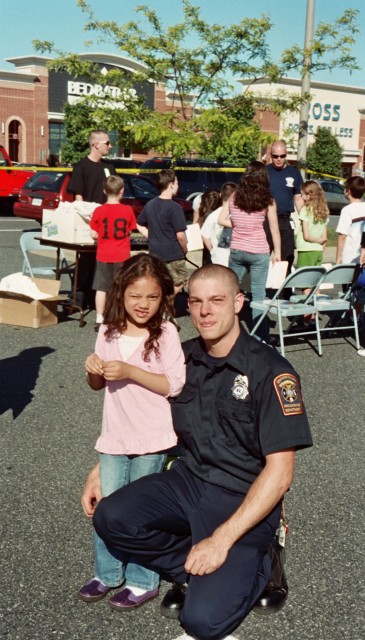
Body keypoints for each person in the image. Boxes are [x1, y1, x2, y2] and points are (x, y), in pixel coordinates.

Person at [82, 264, 313, 640]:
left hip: (241, 500)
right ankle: (195, 566)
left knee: (201, 622)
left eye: (217, 300)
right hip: (188, 483)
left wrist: (221, 540)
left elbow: (280, 472)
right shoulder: (181, 358)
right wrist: (99, 467)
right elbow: (142, 418)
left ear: (238, 302)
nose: (205, 311)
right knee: (111, 516)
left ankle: (263, 562)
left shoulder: (270, 371)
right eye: (197, 302)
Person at [79, 253, 186, 611]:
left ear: (163, 297)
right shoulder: (108, 332)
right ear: (121, 293)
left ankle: (143, 579)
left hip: (153, 437)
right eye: (136, 295)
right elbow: (97, 385)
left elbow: (174, 385)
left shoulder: (167, 333)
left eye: (152, 297)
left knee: (142, 512)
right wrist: (93, 369)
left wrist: (129, 370)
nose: (143, 304)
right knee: (107, 507)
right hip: (114, 435)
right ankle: (107, 573)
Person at [218, 161, 281, 341]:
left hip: (237, 249)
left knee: (232, 292)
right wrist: (277, 252)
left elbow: (222, 219)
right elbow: (274, 228)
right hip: (259, 251)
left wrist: (238, 225)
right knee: (258, 295)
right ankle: (260, 336)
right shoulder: (267, 200)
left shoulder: (234, 197)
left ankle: (227, 330)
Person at [67, 130, 117, 310]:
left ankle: (102, 299)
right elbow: (78, 197)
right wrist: (85, 224)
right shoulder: (81, 166)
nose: (110, 146)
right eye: (107, 143)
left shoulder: (109, 167)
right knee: (87, 261)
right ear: (96, 144)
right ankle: (80, 298)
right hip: (88, 222)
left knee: (105, 263)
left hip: (107, 223)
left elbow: (115, 194)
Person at [90, 175, 137, 332]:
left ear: (104, 191)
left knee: (102, 288)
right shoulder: (127, 210)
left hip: (103, 254)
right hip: (122, 255)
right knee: (122, 288)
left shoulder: (99, 210)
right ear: (122, 191)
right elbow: (130, 229)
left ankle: (99, 318)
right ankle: (120, 315)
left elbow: (93, 234)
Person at [137, 169, 188, 296]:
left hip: (155, 252)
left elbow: (139, 224)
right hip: (173, 253)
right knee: (179, 281)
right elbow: (180, 235)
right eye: (176, 183)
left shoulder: (150, 204)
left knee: (160, 281)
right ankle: (166, 303)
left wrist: (152, 236)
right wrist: (185, 248)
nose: (177, 186)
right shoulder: (175, 208)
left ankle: (162, 304)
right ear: (171, 184)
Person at [267, 140, 304, 275]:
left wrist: (305, 219)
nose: (278, 159)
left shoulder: (293, 173)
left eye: (282, 156)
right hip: (265, 220)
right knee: (262, 256)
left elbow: (298, 197)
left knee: (287, 256)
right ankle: (259, 290)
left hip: (285, 220)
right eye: (275, 156)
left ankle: (285, 292)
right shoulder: (264, 172)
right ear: (271, 155)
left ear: (286, 155)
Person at [201, 183, 237, 267]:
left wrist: (212, 250)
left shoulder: (213, 215)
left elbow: (204, 235)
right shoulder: (237, 215)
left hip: (217, 257)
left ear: (220, 195)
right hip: (234, 257)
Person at [336, 176, 365, 265]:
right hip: (362, 255)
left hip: (350, 256)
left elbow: (342, 236)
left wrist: (338, 258)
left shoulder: (347, 210)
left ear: (348, 191)